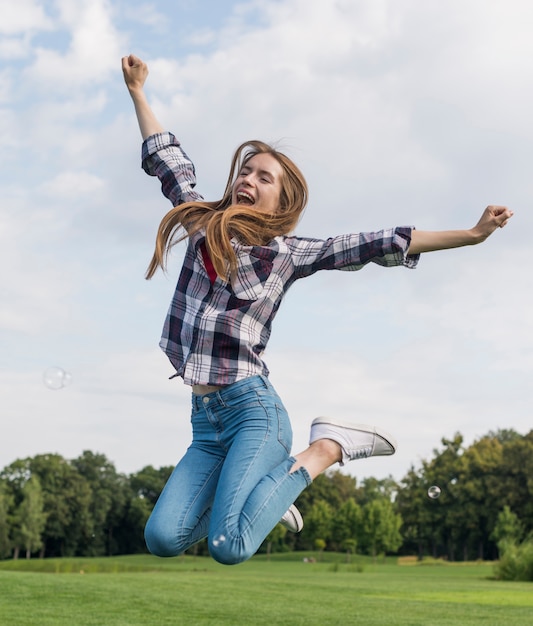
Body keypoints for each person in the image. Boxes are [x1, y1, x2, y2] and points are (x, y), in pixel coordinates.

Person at [122, 54, 513, 565]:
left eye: (265, 178)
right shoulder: (200, 222)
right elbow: (165, 159)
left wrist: (473, 234)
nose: (250, 179)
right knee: (162, 539)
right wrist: (138, 92)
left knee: (229, 546)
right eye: (247, 171)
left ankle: (325, 448)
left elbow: (377, 242)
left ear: (278, 202)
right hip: (205, 422)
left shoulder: (288, 255)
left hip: (252, 413)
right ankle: (270, 489)